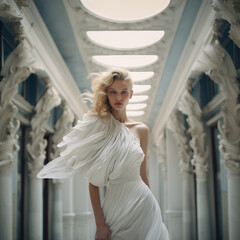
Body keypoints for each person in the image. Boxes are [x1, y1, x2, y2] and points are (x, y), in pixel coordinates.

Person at [37, 69, 169, 240]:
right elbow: (93, 184)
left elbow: (143, 174)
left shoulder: (142, 130)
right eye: (113, 92)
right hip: (115, 205)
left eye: (124, 92)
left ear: (131, 94)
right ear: (106, 94)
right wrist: (100, 224)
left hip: (144, 203)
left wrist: (153, 207)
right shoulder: (99, 128)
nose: (119, 98)